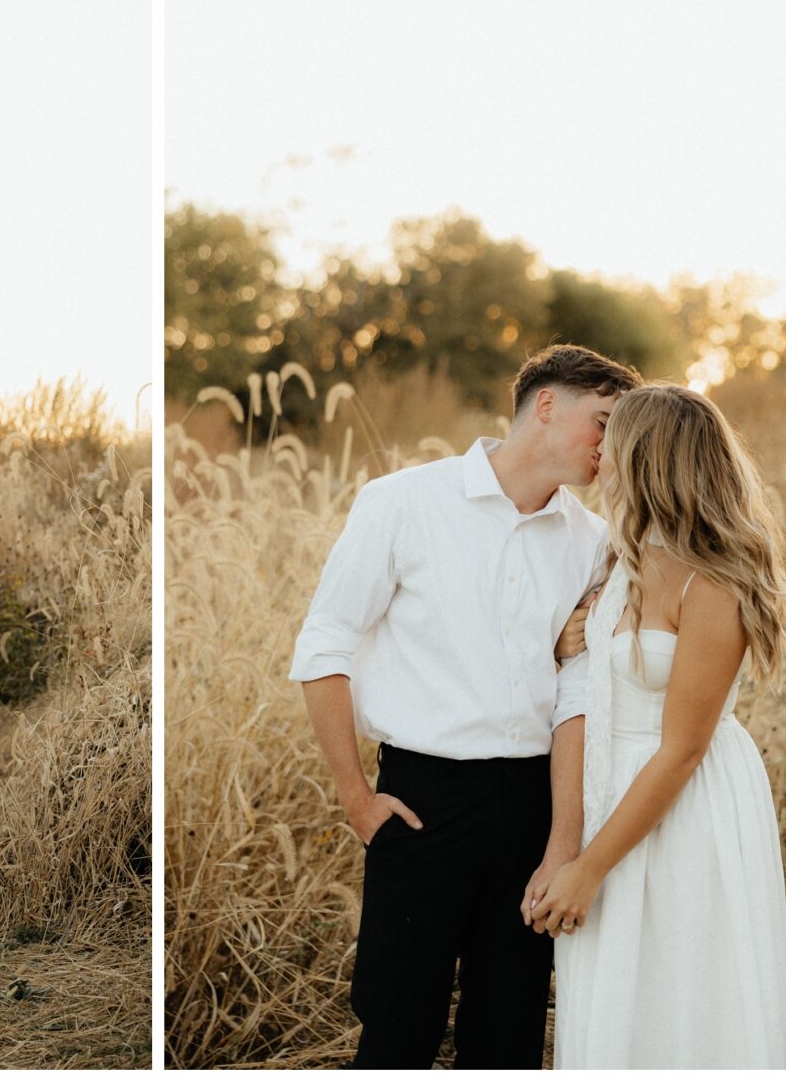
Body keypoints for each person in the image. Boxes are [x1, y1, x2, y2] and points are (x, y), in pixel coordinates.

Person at [289, 344, 640, 1067]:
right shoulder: (402, 502)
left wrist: (562, 842)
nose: (612, 447)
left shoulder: (595, 542)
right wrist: (357, 798)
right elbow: (324, 646)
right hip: (422, 801)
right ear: (546, 404)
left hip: (534, 804)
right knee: (397, 1025)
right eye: (603, 422)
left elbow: (577, 685)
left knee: (508, 1035)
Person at [522, 384, 786, 1067]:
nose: (600, 453)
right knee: (615, 994)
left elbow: (681, 751)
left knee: (684, 997)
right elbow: (585, 692)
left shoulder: (713, 580)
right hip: (611, 795)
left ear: (646, 457)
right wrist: (567, 845)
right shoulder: (621, 558)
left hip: (685, 806)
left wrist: (590, 868)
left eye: (613, 440)